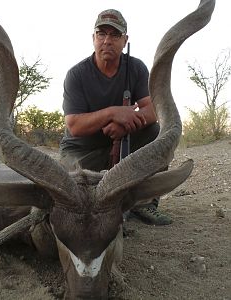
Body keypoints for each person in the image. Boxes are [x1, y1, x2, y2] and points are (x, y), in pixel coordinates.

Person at [59, 9, 171, 225]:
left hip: (124, 144)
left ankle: (145, 204)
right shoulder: (76, 75)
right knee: (78, 195)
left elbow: (153, 110)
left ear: (125, 40)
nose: (107, 41)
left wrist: (125, 126)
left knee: (157, 134)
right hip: (82, 151)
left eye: (115, 35)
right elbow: (74, 126)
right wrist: (113, 113)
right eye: (101, 34)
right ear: (93, 38)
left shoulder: (136, 68)